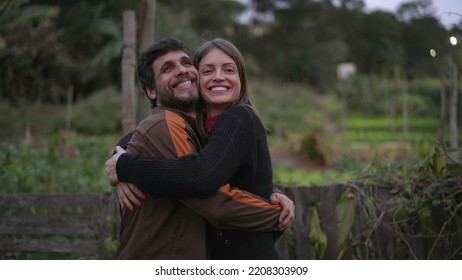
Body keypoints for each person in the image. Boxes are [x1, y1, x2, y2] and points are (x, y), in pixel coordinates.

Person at [107, 38, 294, 259]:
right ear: (151, 91)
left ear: (241, 79)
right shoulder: (195, 128)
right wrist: (119, 158)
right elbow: (142, 136)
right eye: (208, 70)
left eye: (228, 69)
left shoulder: (236, 118)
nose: (218, 76)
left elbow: (201, 176)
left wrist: (125, 165)